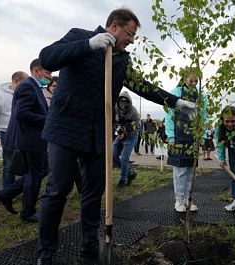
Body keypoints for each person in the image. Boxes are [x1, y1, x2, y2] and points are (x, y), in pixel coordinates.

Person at [36, 8, 195, 264]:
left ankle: (89, 248)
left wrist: (175, 102)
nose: (131, 40)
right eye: (130, 34)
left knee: (93, 191)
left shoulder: (122, 60)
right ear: (113, 26)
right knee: (57, 190)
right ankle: (45, 254)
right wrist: (88, 45)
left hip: (98, 132)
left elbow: (143, 86)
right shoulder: (79, 36)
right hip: (65, 128)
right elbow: (47, 58)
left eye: (134, 36)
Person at [0, 59, 51, 221]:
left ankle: (6, 194)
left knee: (38, 172)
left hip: (33, 140)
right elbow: (21, 113)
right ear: (37, 70)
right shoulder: (28, 86)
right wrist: (47, 119)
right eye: (47, 73)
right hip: (30, 140)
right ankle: (28, 212)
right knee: (34, 175)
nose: (50, 76)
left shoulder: (35, 87)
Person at [165, 67, 208, 213]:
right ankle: (178, 200)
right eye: (191, 80)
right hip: (178, 137)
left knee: (190, 171)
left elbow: (203, 117)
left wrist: (201, 136)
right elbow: (170, 115)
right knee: (180, 171)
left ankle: (188, 199)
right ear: (184, 78)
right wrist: (170, 135)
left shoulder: (201, 96)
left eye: (196, 81)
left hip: (193, 138)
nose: (194, 83)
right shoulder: (176, 93)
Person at [0, 71, 28, 187]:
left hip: (23, 132)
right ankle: (7, 193)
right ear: (16, 80)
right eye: (24, 83)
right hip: (7, 133)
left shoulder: (23, 93)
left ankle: (21, 189)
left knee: (24, 163)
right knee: (9, 164)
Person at [113, 91, 139, 188]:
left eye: (126, 103)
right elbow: (115, 123)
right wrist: (118, 131)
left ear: (129, 103)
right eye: (121, 103)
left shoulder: (134, 113)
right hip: (120, 132)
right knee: (114, 156)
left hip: (131, 135)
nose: (123, 105)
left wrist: (125, 133)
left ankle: (122, 181)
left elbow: (134, 129)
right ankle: (130, 173)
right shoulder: (116, 108)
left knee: (124, 158)